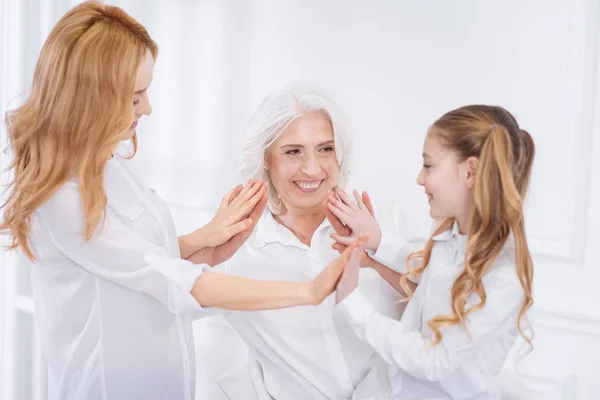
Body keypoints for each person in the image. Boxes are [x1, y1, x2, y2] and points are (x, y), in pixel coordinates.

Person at [0, 4, 358, 400]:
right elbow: (170, 281)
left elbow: (136, 262)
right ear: (93, 100)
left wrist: (205, 242)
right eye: (135, 97)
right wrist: (306, 292)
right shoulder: (62, 201)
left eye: (324, 149)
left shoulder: (109, 164)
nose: (148, 108)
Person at [329, 105, 535, 399]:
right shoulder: (449, 240)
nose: (419, 179)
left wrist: (351, 302)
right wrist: (374, 249)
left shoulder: (504, 278)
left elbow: (434, 361)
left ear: (470, 172)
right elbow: (431, 292)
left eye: (428, 165)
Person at [210, 85, 402, 399]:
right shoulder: (239, 253)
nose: (312, 169)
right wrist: (205, 245)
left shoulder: (385, 221)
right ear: (266, 159)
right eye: (293, 151)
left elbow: (448, 301)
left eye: (325, 149)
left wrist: (381, 248)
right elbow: (169, 296)